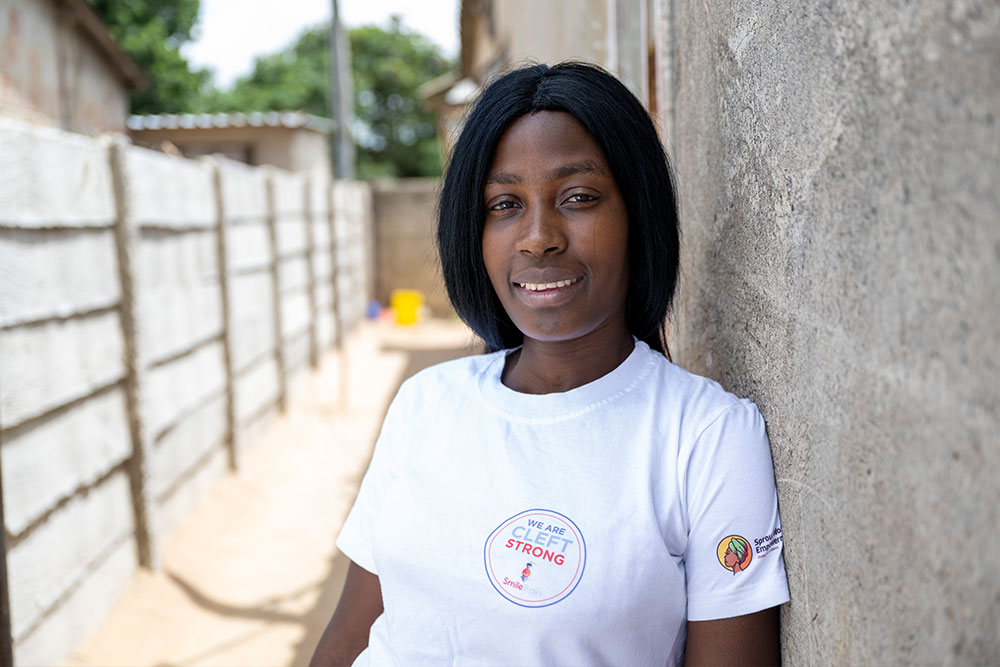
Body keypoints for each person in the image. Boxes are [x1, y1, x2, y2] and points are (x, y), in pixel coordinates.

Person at [311, 61, 789, 666]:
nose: (538, 237)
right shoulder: (425, 404)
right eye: (505, 204)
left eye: (579, 198)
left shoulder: (706, 437)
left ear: (638, 216)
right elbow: (348, 641)